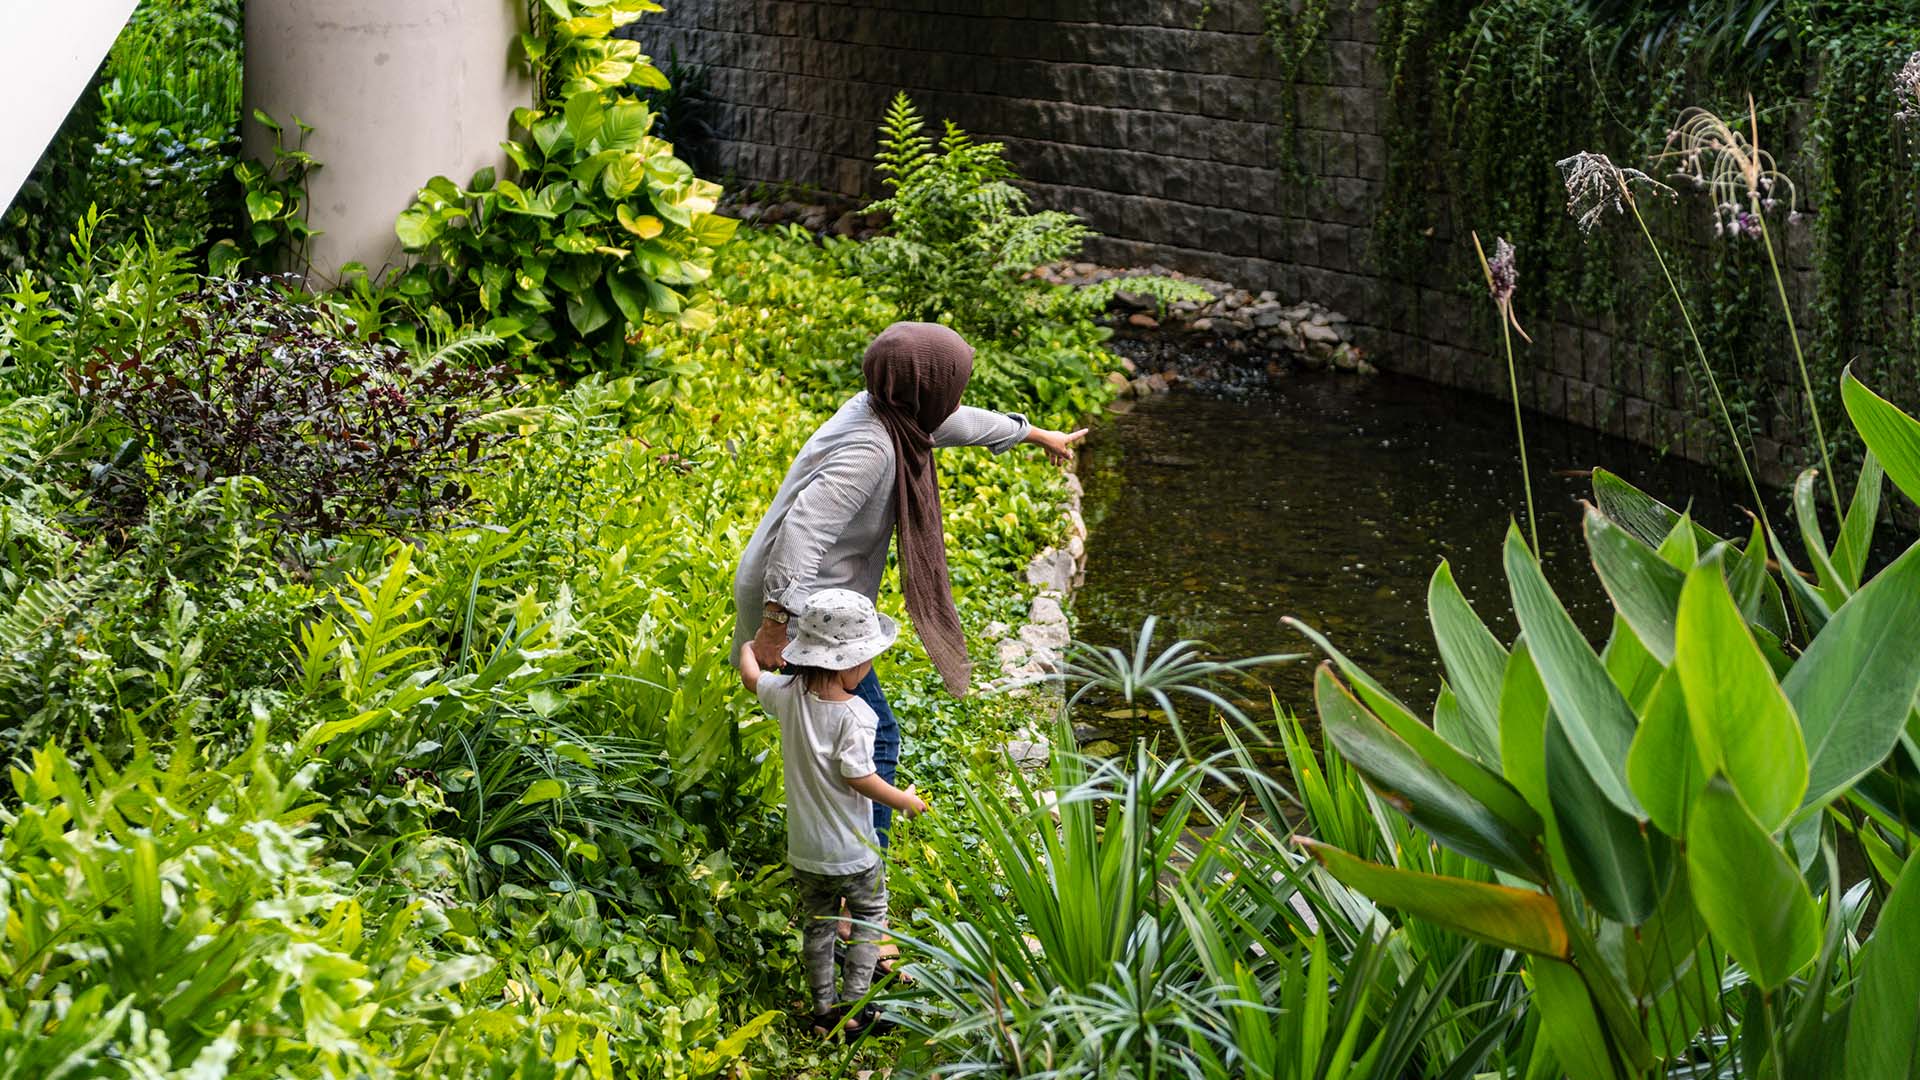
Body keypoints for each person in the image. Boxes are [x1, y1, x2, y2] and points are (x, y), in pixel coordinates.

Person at [733, 321, 1084, 850]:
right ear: (924, 388)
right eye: (953, 382)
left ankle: (832, 850)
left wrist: (1034, 434)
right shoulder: (872, 448)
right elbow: (802, 534)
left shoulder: (886, 409)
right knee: (876, 738)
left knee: (826, 730)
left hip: (804, 595)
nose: (957, 395)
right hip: (804, 603)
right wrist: (774, 627)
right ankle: (859, 874)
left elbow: (955, 422)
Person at [737, 588, 928, 1036]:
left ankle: (821, 1009)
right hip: (854, 855)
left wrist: (750, 645)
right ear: (850, 663)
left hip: (805, 854)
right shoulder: (857, 715)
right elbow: (859, 777)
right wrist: (905, 800)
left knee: (818, 927)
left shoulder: (786, 695)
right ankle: (853, 1008)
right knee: (869, 918)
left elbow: (751, 677)